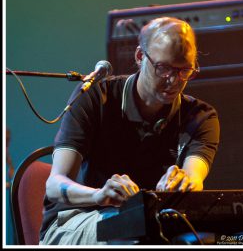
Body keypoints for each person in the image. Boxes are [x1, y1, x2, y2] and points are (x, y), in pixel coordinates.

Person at [39, 17, 220, 245]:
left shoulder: (200, 116)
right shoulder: (95, 98)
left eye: (185, 70)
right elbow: (55, 184)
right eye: (163, 68)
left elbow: (195, 177)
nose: (174, 80)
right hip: (77, 220)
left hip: (152, 223)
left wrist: (184, 181)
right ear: (139, 56)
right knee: (135, 233)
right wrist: (99, 195)